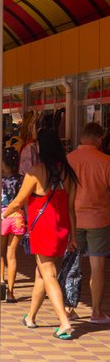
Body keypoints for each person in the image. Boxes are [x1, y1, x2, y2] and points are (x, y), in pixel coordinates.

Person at [2, 129, 78, 339]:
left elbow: (18, 201)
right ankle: (31, 317)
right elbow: (71, 208)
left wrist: (1, 215)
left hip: (43, 229)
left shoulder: (36, 171)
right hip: (61, 228)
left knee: (49, 274)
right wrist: (73, 236)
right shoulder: (68, 173)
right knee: (42, 273)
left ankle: (64, 322)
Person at [66, 122, 110, 323]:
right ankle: (96, 311)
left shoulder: (69, 159)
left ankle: (68, 309)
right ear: (99, 139)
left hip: (72, 217)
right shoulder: (106, 161)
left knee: (72, 263)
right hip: (99, 219)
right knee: (97, 264)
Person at [0, 147, 24, 303]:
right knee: (12, 255)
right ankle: (10, 292)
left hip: (1, 216)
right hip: (18, 217)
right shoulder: (22, 179)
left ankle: (1, 282)